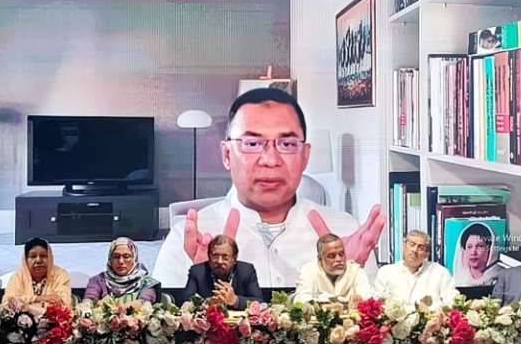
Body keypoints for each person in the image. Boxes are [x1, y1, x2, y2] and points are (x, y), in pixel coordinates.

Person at [151, 88, 386, 288]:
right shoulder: (189, 239)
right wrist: (204, 284)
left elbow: (375, 325)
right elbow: (160, 325)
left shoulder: (344, 232)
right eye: (253, 143)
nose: (271, 160)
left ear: (305, 156)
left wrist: (345, 282)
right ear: (227, 155)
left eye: (287, 144)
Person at [373, 231, 457, 308]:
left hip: (430, 319)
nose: (414, 250)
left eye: (420, 248)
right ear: (403, 247)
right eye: (411, 244)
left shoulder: (440, 273)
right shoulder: (386, 272)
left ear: (426, 254)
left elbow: (452, 302)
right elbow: (375, 301)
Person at [180, 235, 263, 309]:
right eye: (215, 256)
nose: (219, 261)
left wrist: (235, 300)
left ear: (234, 259)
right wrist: (209, 302)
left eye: (225, 257)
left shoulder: (246, 271)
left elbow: (259, 301)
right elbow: (187, 301)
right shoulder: (197, 272)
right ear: (209, 257)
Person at [293, 233, 373, 303]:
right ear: (320, 258)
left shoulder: (356, 271)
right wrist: (334, 300)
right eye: (332, 256)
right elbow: (301, 299)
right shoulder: (309, 270)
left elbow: (368, 300)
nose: (339, 259)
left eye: (341, 254)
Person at [84, 237, 160, 303]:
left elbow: (145, 301)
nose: (121, 261)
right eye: (116, 257)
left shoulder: (146, 283)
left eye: (126, 257)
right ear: (110, 259)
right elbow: (89, 299)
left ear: (134, 259)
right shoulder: (98, 280)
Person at [2, 238, 72, 306]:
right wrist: (38, 298)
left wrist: (26, 304)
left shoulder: (60, 275)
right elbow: (8, 303)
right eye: (33, 256)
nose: (38, 260)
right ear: (25, 260)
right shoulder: (17, 277)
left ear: (50, 257)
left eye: (43, 256)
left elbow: (63, 303)